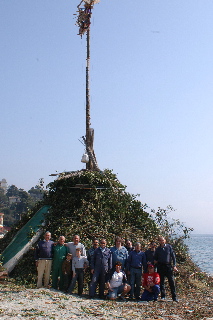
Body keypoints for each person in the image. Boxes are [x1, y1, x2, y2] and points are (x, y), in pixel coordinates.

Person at [154, 236, 178, 302]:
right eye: (160, 240)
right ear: (159, 241)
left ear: (165, 240)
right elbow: (155, 258)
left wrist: (174, 265)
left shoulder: (169, 247)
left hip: (168, 266)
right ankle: (163, 296)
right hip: (160, 266)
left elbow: (173, 257)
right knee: (161, 282)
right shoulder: (158, 249)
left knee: (171, 282)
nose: (162, 241)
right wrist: (155, 261)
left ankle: (174, 297)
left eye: (163, 240)